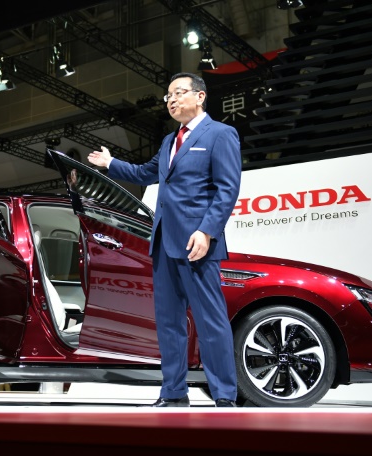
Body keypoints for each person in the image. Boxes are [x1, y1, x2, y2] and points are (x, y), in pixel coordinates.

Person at [87, 72, 242, 408]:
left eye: (179, 92)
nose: (172, 100)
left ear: (200, 96)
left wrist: (207, 231)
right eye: (168, 96)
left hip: (197, 243)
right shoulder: (169, 141)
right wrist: (110, 163)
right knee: (170, 325)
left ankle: (225, 395)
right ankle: (173, 392)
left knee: (210, 322)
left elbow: (227, 189)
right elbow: (144, 173)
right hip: (163, 244)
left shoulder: (220, 134)